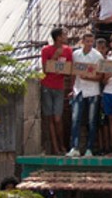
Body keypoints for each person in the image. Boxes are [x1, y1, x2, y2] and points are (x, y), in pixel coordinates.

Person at [68, 33, 103, 157]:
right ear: (83, 41)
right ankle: (75, 147)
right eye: (87, 41)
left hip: (93, 91)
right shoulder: (75, 54)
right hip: (78, 90)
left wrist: (87, 77)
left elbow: (100, 76)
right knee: (75, 119)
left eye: (91, 41)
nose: (89, 44)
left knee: (91, 120)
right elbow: (73, 72)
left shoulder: (97, 56)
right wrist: (72, 88)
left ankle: (90, 148)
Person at [41, 27, 72, 155]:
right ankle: (55, 147)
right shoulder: (46, 50)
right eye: (64, 35)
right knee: (50, 118)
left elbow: (69, 69)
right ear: (58, 37)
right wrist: (55, 56)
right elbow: (45, 69)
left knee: (58, 118)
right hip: (47, 86)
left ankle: (62, 145)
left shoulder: (68, 50)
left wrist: (60, 69)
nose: (66, 37)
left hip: (59, 87)